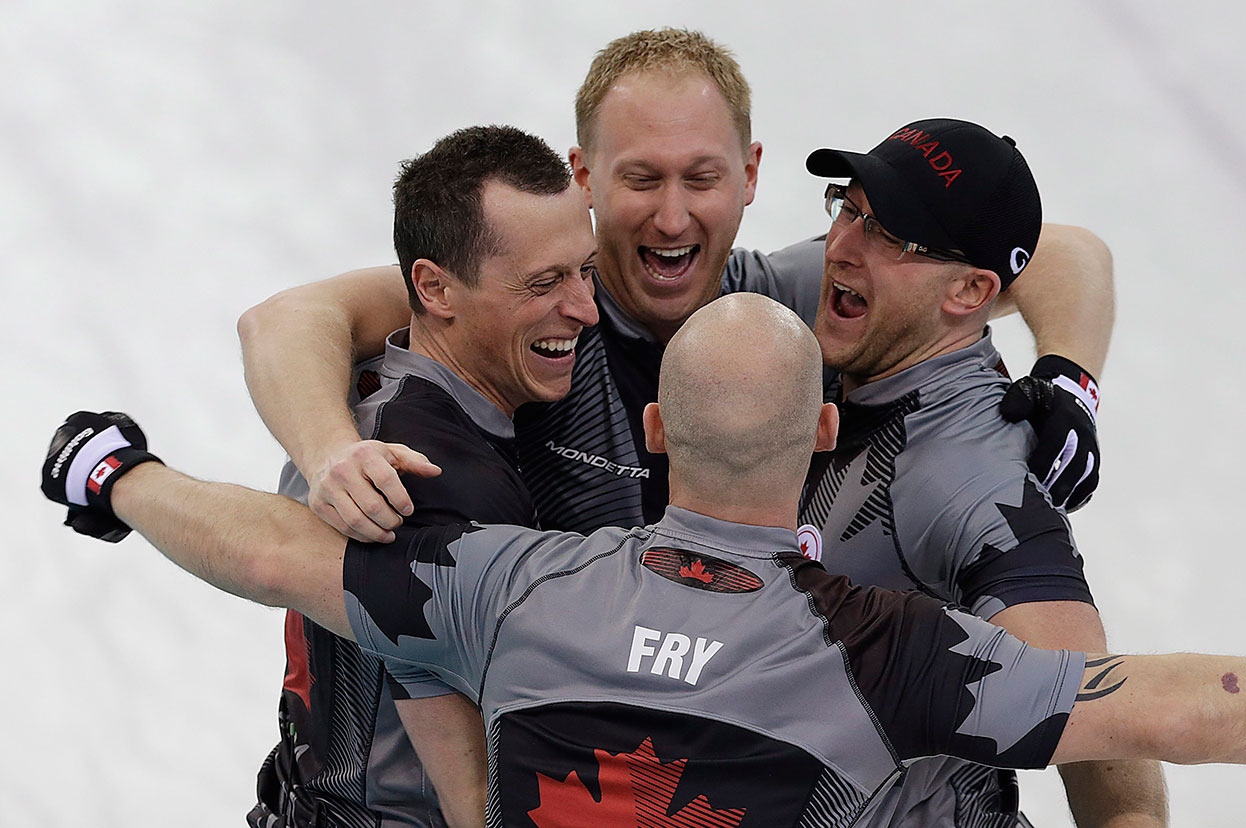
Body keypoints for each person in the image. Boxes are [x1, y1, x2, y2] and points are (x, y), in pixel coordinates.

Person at [235, 29, 1148, 827]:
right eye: (641, 178)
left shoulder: (780, 313)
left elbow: (1050, 249)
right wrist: (329, 452)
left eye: (701, 178)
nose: (672, 216)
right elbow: (287, 319)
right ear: (584, 178)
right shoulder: (535, 310)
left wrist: (1070, 377)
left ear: (749, 176)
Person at [40, 293, 1246, 828]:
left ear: (655, 434)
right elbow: (1182, 708)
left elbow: (275, 553)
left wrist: (119, 476)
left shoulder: (516, 586)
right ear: (823, 434)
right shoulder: (884, 652)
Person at [798, 118, 1164, 827]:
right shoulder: (864, 329)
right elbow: (1070, 248)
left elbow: (1102, 719)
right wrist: (1073, 379)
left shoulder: (962, 473)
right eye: (848, 208)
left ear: (970, 291)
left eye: (888, 234)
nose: (839, 246)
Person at [255, 125, 597, 826]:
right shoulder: (422, 473)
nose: (586, 309)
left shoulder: (388, 400)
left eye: (585, 270)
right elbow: (476, 800)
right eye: (545, 283)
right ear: (435, 288)